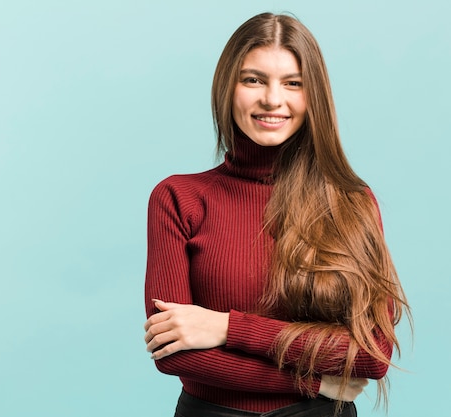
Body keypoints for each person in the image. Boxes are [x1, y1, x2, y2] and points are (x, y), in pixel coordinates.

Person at [143, 12, 410, 417]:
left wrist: (226, 328)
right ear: (227, 87)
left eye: (293, 83)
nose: (272, 98)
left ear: (312, 95)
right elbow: (175, 356)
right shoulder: (178, 198)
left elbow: (371, 354)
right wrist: (319, 380)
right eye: (253, 79)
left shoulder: (352, 200)